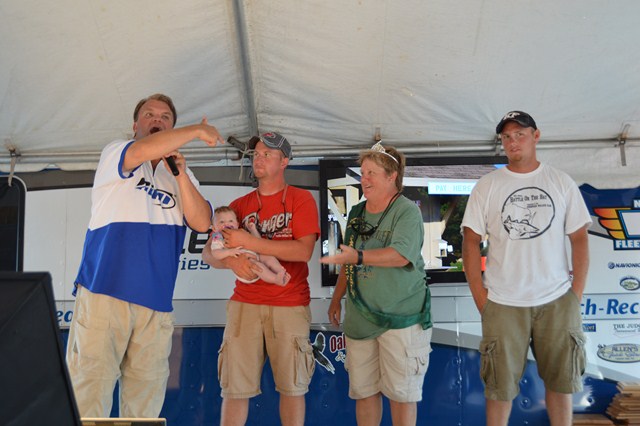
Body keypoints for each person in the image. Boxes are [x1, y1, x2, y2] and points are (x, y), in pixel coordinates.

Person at [66, 93, 223, 418]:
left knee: (144, 407)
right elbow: (139, 152)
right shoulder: (117, 151)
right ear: (135, 125)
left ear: (172, 128)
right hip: (104, 293)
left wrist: (180, 175)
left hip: (155, 304)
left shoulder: (179, 173)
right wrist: (196, 130)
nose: (157, 120)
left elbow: (202, 222)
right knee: (88, 398)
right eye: (150, 115)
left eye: (165, 117)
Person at [461, 111, 591, 426]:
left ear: (536, 136)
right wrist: (481, 298)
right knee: (499, 388)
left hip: (557, 300)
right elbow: (470, 241)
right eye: (507, 136)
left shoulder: (560, 181)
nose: (513, 141)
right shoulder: (487, 186)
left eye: (520, 134)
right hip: (502, 302)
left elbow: (579, 238)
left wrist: (574, 294)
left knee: (561, 385)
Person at [202, 132, 319, 426]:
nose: (259, 158)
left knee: (292, 388)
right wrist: (232, 261)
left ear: (285, 162)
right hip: (245, 304)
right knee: (234, 389)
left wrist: (250, 242)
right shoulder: (239, 205)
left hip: (290, 304)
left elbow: (303, 251)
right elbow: (208, 253)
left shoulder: (301, 199)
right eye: (256, 153)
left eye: (268, 154)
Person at [320, 142, 433, 426]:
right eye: (363, 173)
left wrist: (359, 256)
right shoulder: (356, 212)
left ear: (391, 176)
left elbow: (400, 256)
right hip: (360, 320)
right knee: (365, 393)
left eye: (371, 172)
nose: (364, 179)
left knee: (401, 395)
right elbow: (348, 259)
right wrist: (336, 298)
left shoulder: (407, 211)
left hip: (401, 320)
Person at [209, 205, 291, 285]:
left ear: (237, 224)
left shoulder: (241, 232)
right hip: (244, 265)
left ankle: (281, 272)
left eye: (231, 221)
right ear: (214, 228)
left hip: (256, 255)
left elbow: (258, 242)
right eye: (221, 222)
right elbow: (215, 253)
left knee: (269, 258)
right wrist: (229, 252)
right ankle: (275, 279)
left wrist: (253, 230)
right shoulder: (218, 238)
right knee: (258, 265)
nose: (227, 224)